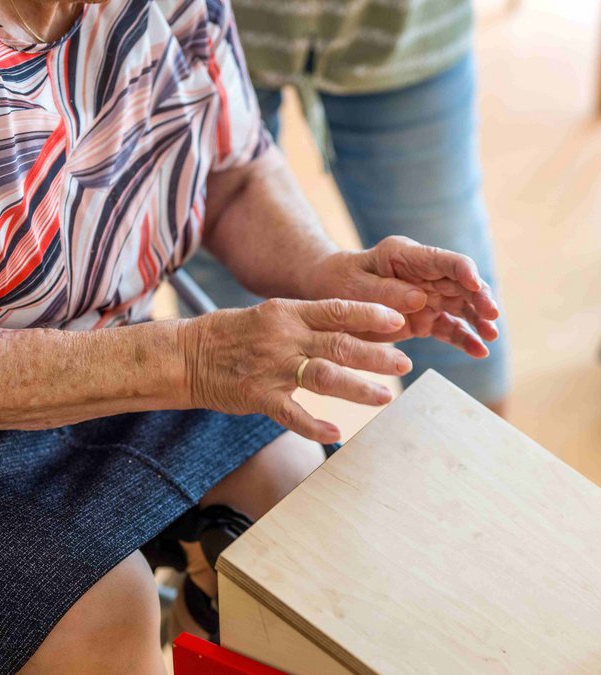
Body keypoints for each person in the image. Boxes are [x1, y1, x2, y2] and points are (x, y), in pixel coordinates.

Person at [0, 0, 500, 671]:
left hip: (86, 358)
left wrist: (330, 269)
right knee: (103, 609)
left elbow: (235, 172)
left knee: (296, 497)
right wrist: (190, 357)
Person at [183, 0, 511, 413]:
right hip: (198, 31)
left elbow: (234, 189)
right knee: (219, 307)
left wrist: (319, 268)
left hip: (403, 31)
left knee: (446, 298)